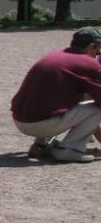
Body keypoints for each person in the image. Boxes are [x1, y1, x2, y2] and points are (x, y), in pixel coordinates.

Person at [11, 27, 101, 163]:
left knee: (69, 99)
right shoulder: (88, 63)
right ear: (91, 46)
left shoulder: (55, 55)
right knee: (96, 109)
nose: (98, 54)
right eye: (98, 49)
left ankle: (41, 145)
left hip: (20, 120)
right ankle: (70, 150)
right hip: (41, 123)